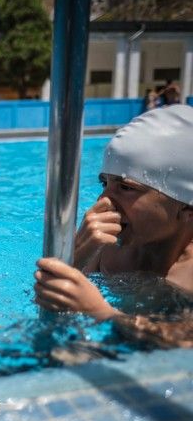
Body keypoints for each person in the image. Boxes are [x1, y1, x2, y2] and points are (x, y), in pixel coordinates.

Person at [34, 104, 193, 345]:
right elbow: (45, 311)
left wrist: (102, 313)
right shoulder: (108, 249)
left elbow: (185, 346)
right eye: (104, 184)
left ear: (186, 209)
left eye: (126, 188)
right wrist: (74, 256)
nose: (103, 200)